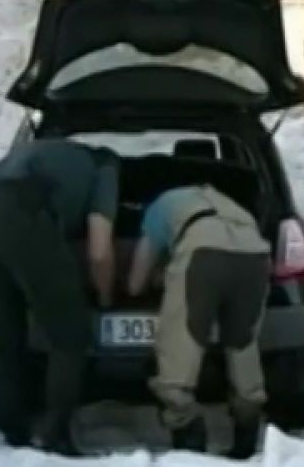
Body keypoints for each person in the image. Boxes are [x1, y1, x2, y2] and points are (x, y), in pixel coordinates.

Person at [0, 138, 120, 455]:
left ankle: (12, 430)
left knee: (2, 332)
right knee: (69, 335)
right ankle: (55, 435)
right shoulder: (106, 168)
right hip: (24, 211)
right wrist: (105, 299)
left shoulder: (42, 152)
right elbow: (100, 251)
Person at [127, 183, 271, 459]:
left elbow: (136, 283)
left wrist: (158, 279)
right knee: (242, 343)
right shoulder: (225, 202)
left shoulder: (157, 209)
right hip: (256, 254)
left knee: (180, 344)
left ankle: (187, 431)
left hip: (203, 253)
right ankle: (247, 427)